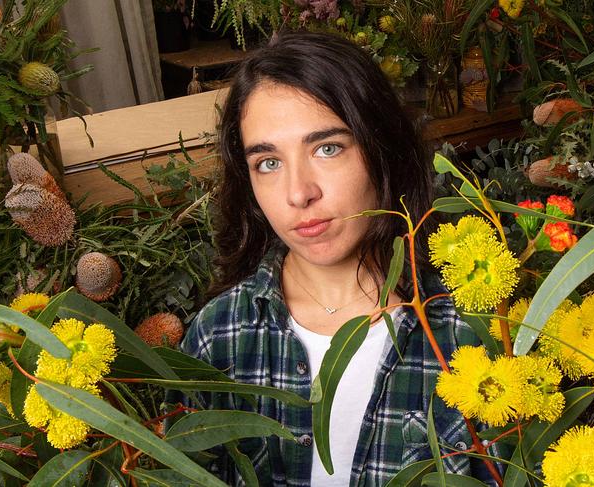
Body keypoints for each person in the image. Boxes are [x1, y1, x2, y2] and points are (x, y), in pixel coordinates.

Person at [178, 30, 500, 486]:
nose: (298, 193)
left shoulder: (468, 331)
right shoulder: (221, 337)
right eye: (268, 162)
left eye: (327, 148)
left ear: (381, 149)